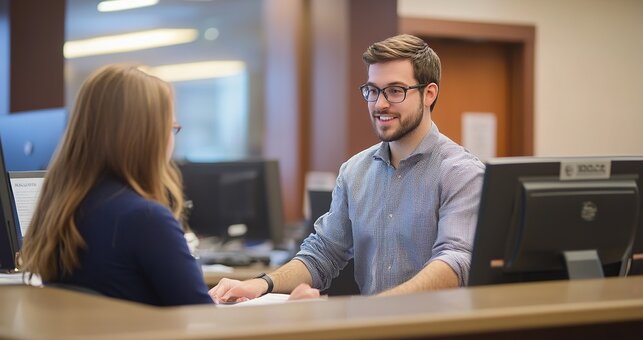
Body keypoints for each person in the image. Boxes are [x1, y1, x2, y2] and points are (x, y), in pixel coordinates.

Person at [210, 34, 485, 302]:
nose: (380, 103)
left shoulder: (460, 172)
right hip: (371, 335)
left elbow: (456, 260)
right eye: (373, 90)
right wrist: (263, 284)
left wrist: (379, 306)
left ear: (429, 93)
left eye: (395, 91)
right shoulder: (355, 171)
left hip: (436, 339)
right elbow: (323, 253)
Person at [19, 64, 214, 306]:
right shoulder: (146, 218)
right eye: (172, 129)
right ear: (147, 136)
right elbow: (203, 318)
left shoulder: (61, 209)